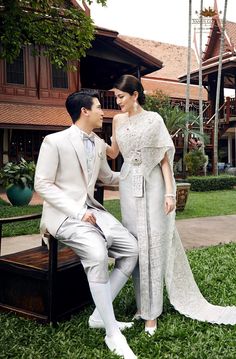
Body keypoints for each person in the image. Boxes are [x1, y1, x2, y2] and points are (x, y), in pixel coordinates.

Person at [106, 74, 236, 335]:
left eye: (121, 96)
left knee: (153, 244)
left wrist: (169, 194)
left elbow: (165, 160)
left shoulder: (154, 119)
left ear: (135, 94)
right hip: (129, 184)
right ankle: (143, 307)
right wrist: (86, 140)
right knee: (136, 246)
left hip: (153, 184)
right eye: (116, 96)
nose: (117, 101)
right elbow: (113, 153)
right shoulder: (117, 120)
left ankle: (152, 315)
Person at [34, 89, 138, 359]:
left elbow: (107, 177)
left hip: (93, 212)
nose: (104, 112)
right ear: (85, 111)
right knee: (97, 252)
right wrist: (78, 211)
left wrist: (138, 172)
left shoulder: (97, 142)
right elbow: (42, 184)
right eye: (98, 107)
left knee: (131, 250)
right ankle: (112, 333)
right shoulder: (54, 142)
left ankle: (98, 316)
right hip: (64, 215)